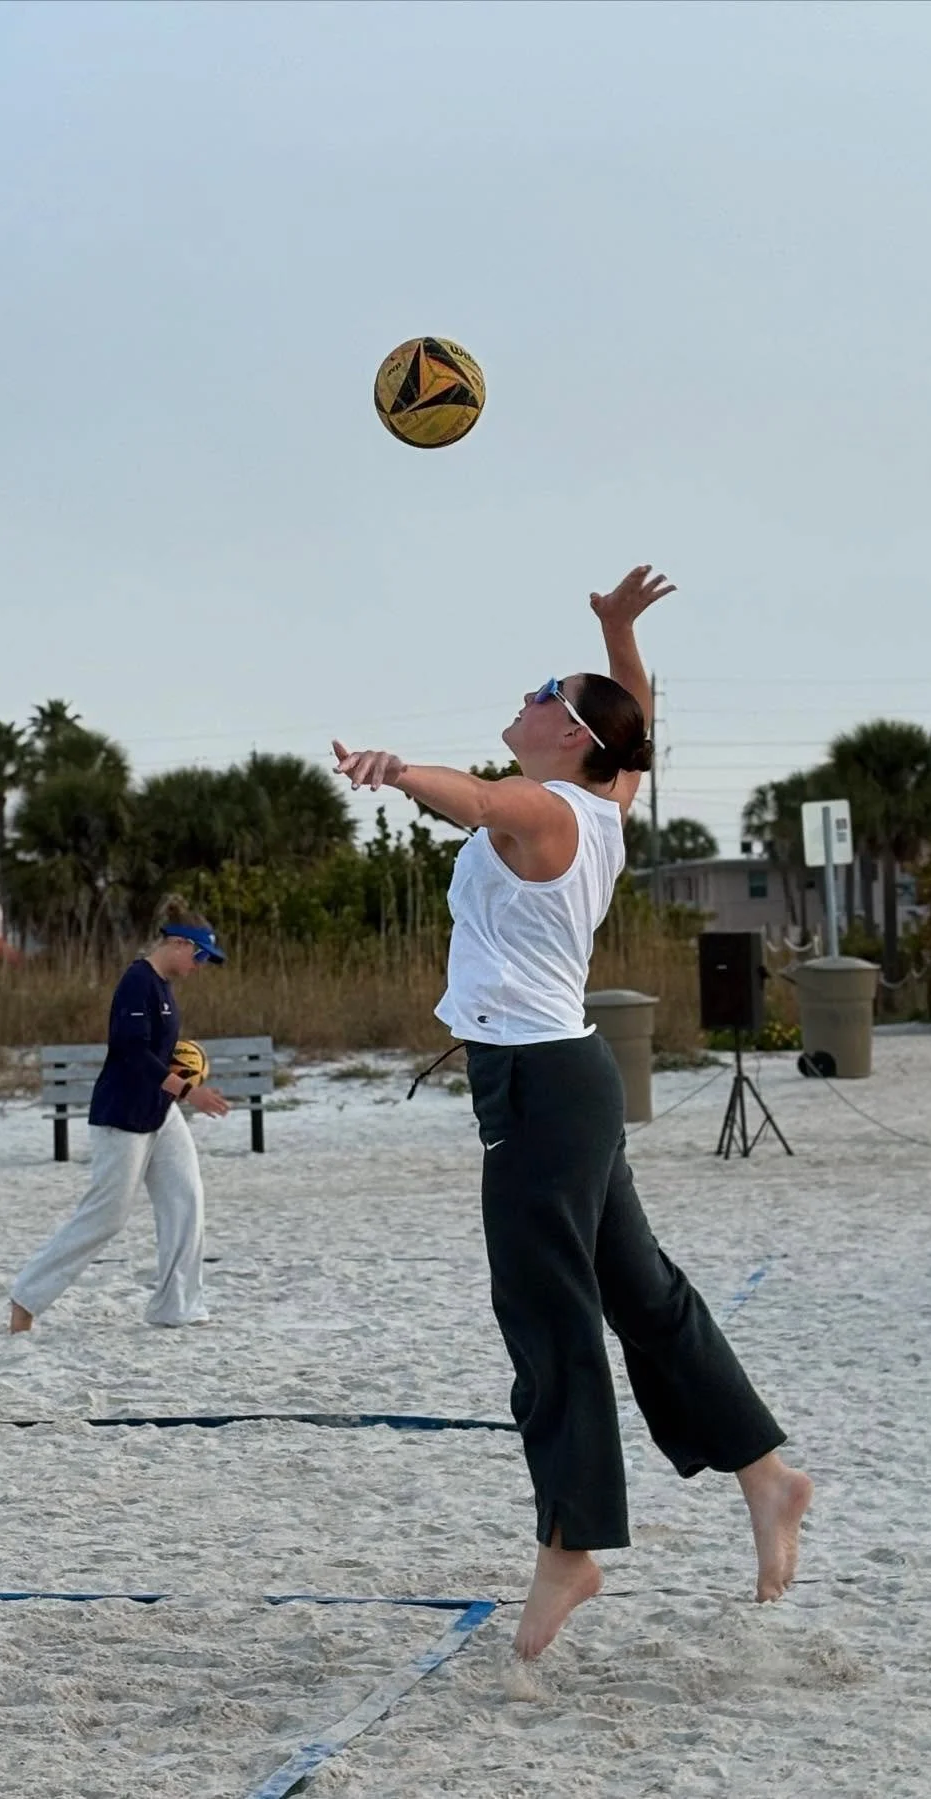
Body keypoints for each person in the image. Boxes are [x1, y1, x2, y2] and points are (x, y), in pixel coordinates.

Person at [332, 565, 813, 1662]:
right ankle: (766, 1473)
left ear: (572, 739)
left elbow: (483, 798)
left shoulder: (546, 809)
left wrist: (399, 769)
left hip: (542, 1090)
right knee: (641, 1293)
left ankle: (571, 1543)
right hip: (563, 1080)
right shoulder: (604, 799)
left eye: (554, 690)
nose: (534, 692)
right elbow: (634, 732)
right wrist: (615, 633)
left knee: (549, 1316)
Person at [9, 900, 231, 1335]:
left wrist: (184, 1073)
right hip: (122, 1115)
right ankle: (26, 1298)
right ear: (180, 944)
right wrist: (190, 1091)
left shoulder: (165, 987)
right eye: (200, 956)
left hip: (160, 1112)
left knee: (186, 1200)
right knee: (106, 1215)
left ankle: (178, 1307)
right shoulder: (137, 982)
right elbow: (132, 1054)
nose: (201, 966)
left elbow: (159, 1049)